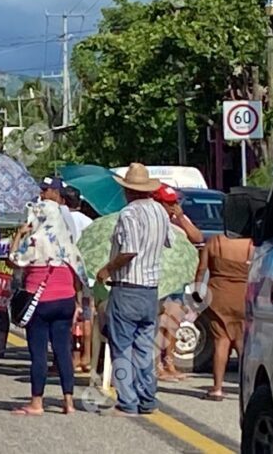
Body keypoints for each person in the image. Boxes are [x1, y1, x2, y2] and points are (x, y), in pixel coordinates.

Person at [96, 163, 172, 417]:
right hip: (151, 288)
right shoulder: (160, 212)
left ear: (128, 190)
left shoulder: (129, 214)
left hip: (127, 286)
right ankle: (147, 398)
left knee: (122, 346)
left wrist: (107, 269)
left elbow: (129, 251)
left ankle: (127, 401)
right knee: (143, 346)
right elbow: (167, 243)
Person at [7, 200, 86, 416]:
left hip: (39, 300)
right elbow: (78, 273)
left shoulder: (34, 239)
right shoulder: (67, 241)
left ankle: (37, 402)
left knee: (39, 353)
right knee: (63, 351)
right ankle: (68, 401)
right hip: (66, 299)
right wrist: (78, 302)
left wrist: (18, 236)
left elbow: (13, 261)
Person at [151, 184, 203, 382]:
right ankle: (157, 365)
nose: (172, 206)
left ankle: (169, 362)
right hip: (159, 277)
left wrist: (180, 217)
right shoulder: (154, 219)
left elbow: (197, 238)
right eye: (168, 203)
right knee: (158, 322)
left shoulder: (179, 220)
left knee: (173, 322)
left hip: (177, 278)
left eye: (174, 202)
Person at [196, 233, 252, 401]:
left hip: (218, 295)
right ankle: (245, 387)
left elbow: (201, 269)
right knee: (242, 342)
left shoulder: (215, 241)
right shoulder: (251, 244)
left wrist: (198, 292)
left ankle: (217, 388)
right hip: (243, 295)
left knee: (221, 340)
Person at [61, 186, 94, 373]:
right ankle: (87, 357)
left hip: (68, 272)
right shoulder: (89, 222)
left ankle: (71, 357)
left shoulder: (61, 220)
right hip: (87, 273)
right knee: (87, 315)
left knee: (70, 316)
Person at [40, 177, 77, 241]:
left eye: (45, 190)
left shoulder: (62, 211)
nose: (41, 193)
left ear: (56, 192)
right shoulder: (47, 209)